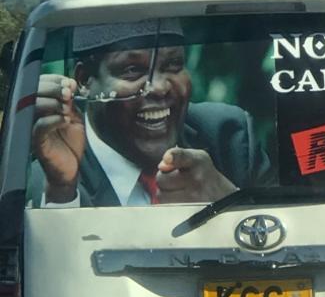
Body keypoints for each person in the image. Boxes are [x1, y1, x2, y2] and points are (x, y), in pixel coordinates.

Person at [28, 18, 272, 207]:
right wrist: (60, 193)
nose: (159, 87)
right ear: (84, 80)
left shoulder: (228, 137)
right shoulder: (52, 175)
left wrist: (226, 201)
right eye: (132, 69)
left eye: (173, 65)